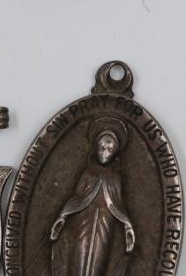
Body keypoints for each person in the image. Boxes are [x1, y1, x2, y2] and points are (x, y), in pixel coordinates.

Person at [51, 117, 136, 276]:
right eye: (102, 147)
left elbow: (118, 205)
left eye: (110, 149)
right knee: (78, 257)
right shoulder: (88, 173)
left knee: (99, 261)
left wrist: (128, 226)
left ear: (116, 152)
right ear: (95, 147)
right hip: (83, 222)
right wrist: (62, 216)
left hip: (105, 225)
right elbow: (77, 198)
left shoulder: (115, 178)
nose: (105, 152)